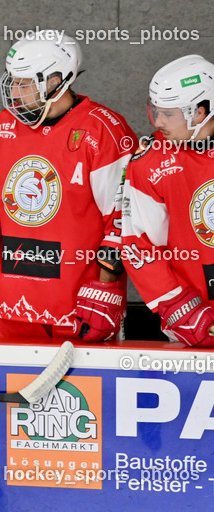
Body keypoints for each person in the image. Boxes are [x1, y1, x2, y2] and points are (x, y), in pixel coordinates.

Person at [0, 31, 135, 342]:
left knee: (78, 393)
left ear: (56, 80)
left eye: (25, 82)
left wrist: (106, 286)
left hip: (82, 307)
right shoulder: (3, 125)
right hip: (12, 300)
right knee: (10, 391)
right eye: (12, 80)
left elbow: (124, 219)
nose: (14, 90)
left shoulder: (103, 130)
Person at [122, 55, 214, 347]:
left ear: (201, 112)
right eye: (155, 111)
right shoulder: (149, 162)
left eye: (168, 114)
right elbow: (139, 243)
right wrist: (176, 305)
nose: (157, 122)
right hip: (194, 322)